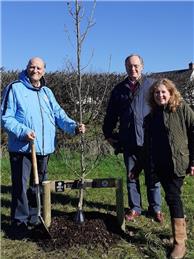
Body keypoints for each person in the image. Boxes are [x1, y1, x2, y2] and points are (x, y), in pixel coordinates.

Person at [1, 57, 86, 239]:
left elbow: (58, 115)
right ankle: (19, 223)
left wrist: (74, 127)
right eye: (32, 67)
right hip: (22, 148)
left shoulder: (47, 92)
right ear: (27, 68)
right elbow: (6, 118)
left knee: (37, 186)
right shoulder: (15, 88)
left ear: (44, 71)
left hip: (44, 148)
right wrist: (23, 131)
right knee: (21, 187)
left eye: (39, 68)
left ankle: (34, 218)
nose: (35, 70)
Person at [102, 54, 163, 222]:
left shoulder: (152, 86)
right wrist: (108, 133)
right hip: (129, 140)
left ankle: (155, 208)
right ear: (125, 68)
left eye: (136, 66)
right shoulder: (119, 89)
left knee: (153, 176)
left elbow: (163, 109)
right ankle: (135, 207)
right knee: (131, 176)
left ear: (142, 66)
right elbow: (111, 115)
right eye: (129, 66)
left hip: (150, 140)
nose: (133, 69)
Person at [139, 78, 194, 259]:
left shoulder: (181, 109)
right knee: (172, 199)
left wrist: (193, 160)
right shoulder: (150, 118)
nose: (160, 95)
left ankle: (179, 243)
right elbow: (146, 146)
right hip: (159, 165)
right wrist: (139, 166)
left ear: (171, 93)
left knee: (173, 197)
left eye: (163, 92)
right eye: (156, 92)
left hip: (177, 163)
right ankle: (178, 233)